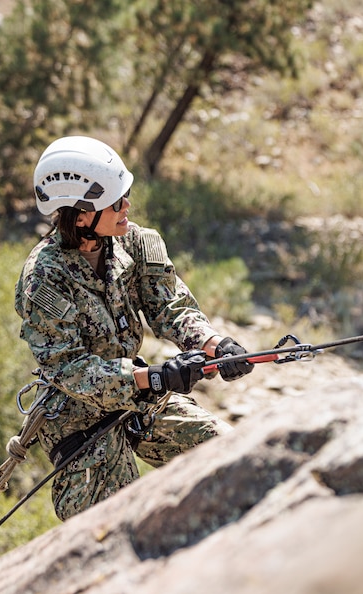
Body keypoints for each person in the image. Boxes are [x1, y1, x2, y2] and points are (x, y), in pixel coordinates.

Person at [15, 135, 254, 520]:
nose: (127, 206)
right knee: (116, 526)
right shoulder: (43, 279)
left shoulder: (137, 243)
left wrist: (214, 344)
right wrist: (152, 378)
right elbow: (71, 369)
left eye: (125, 194)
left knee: (233, 457)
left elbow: (169, 305)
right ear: (79, 216)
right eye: (114, 202)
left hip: (141, 399)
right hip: (81, 423)